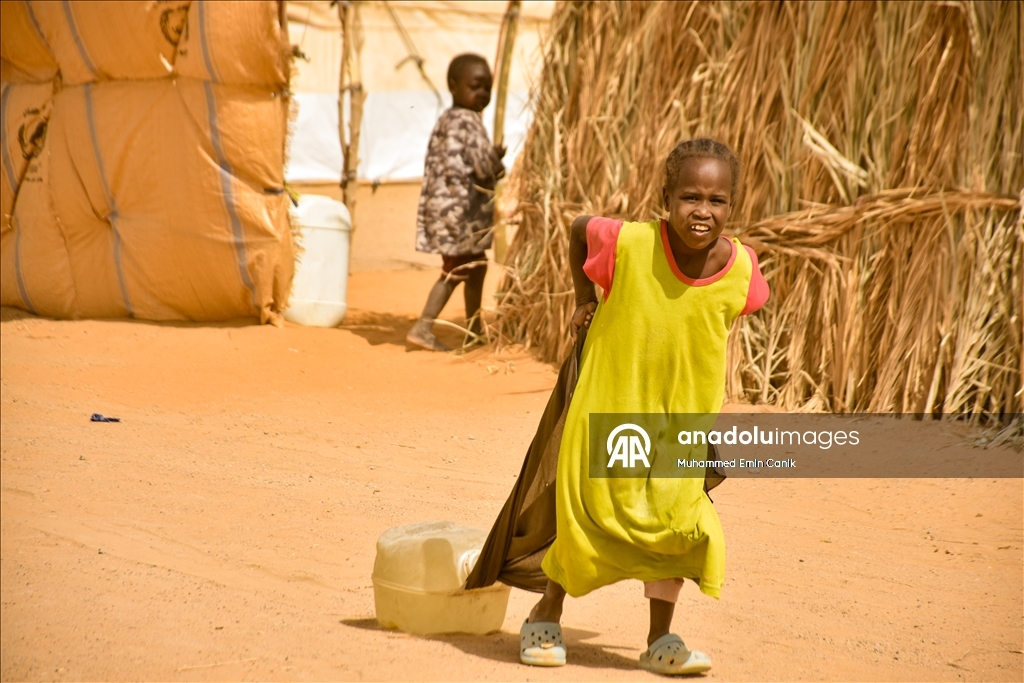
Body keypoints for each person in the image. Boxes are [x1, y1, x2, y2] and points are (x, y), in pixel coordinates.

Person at [518, 138, 770, 675]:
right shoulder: (630, 244)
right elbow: (578, 227)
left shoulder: (744, 271)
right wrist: (585, 300)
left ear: (734, 203)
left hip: (680, 423)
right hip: (610, 409)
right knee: (589, 515)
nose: (703, 211)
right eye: (690, 197)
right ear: (666, 197)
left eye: (717, 200)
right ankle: (546, 610)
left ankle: (661, 638)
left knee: (677, 526)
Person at [406, 53, 506, 352]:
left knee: (476, 265)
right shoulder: (468, 121)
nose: (483, 94)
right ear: (453, 86)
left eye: (487, 87)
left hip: (446, 210)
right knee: (458, 267)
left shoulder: (446, 120)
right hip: (461, 213)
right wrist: (497, 160)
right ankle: (422, 327)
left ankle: (474, 329)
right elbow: (484, 168)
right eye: (475, 86)